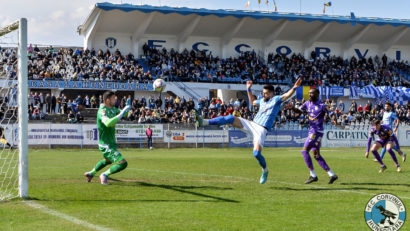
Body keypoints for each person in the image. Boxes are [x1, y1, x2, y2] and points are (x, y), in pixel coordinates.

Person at [193, 78, 302, 184]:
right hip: (252, 124)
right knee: (230, 118)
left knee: (256, 154)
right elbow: (253, 101)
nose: (263, 95)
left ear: (271, 93)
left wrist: (295, 87)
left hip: (261, 130)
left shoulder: (276, 100)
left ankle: (265, 170)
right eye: (263, 93)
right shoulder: (262, 101)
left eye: (266, 93)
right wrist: (248, 89)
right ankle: (205, 122)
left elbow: (286, 95)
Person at [287, 89, 338, 184]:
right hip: (313, 131)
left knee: (304, 150)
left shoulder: (322, 105)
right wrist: (292, 108)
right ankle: (332, 175)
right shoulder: (307, 103)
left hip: (316, 131)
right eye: (309, 93)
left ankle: (313, 175)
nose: (310, 94)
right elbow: (299, 111)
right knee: (316, 155)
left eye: (312, 93)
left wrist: (334, 120)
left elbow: (331, 113)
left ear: (317, 94)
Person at [84, 91, 130, 185]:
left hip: (111, 142)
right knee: (122, 163)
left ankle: (91, 173)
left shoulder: (113, 109)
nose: (116, 99)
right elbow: (108, 123)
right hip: (106, 144)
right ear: (107, 100)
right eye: (114, 98)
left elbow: (123, 114)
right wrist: (121, 114)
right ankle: (104, 174)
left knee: (107, 161)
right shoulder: (102, 111)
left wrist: (127, 109)